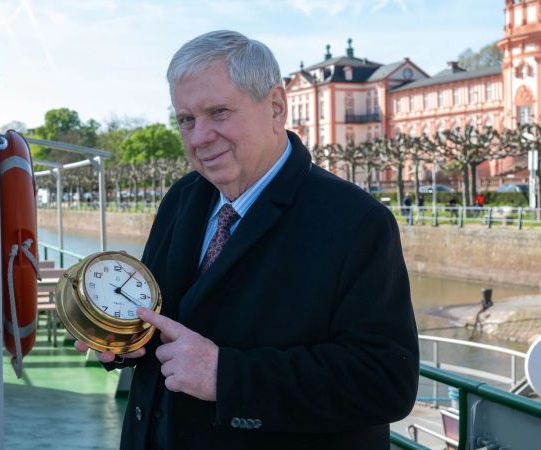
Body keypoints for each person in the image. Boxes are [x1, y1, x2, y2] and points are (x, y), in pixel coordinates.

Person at [75, 30, 418, 450]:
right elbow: (166, 321)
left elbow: (385, 381)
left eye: (219, 112)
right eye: (186, 119)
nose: (199, 136)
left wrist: (226, 376)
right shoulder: (183, 197)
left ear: (276, 107)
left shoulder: (356, 221)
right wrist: (127, 340)